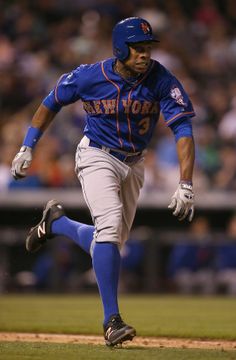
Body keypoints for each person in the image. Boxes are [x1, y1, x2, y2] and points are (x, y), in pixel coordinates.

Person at [11, 17, 195, 346]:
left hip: (135, 163)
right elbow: (50, 102)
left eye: (148, 48)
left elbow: (182, 129)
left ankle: (58, 223)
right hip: (97, 155)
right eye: (138, 49)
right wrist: (27, 146)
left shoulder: (160, 79)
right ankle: (112, 321)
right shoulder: (89, 75)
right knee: (109, 229)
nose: (144, 55)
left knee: (110, 245)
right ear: (120, 48)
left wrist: (185, 182)